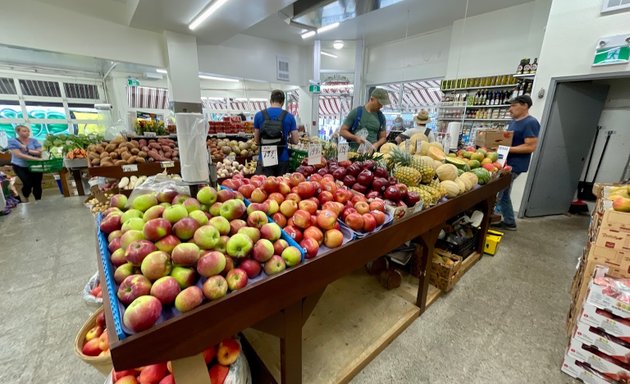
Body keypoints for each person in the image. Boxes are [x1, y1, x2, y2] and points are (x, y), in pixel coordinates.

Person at [492, 95, 540, 231]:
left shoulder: (530, 122)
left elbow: (530, 147)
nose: (509, 109)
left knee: (499, 192)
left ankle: (495, 218)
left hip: (515, 165)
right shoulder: (514, 122)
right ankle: (509, 222)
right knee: (504, 193)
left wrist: (506, 149)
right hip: (505, 162)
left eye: (513, 105)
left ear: (524, 105)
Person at [253, 90, 299, 177]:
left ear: (270, 100)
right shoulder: (289, 117)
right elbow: (296, 140)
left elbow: (256, 141)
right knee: (281, 187)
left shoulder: (259, 115)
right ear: (282, 102)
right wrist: (287, 139)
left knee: (264, 187)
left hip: (264, 158)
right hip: (282, 158)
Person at [7, 125, 43, 202]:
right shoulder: (13, 141)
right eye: (24, 131)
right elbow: (19, 155)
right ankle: (25, 194)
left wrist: (27, 149)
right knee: (27, 183)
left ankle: (38, 200)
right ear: (18, 132)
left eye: (28, 131)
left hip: (35, 165)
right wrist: (35, 158)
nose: (27, 133)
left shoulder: (34, 140)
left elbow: (39, 151)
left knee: (37, 184)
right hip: (20, 166)